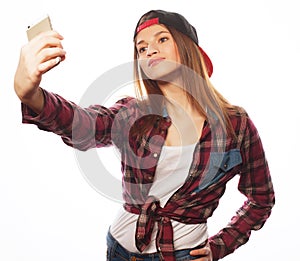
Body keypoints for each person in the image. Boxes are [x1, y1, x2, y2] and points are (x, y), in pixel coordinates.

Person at [14, 9, 275, 261]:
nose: (149, 50)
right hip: (120, 250)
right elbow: (84, 124)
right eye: (141, 48)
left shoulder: (235, 125)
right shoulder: (133, 113)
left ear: (188, 49)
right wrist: (32, 96)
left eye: (162, 39)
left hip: (184, 256)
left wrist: (219, 247)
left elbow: (261, 200)